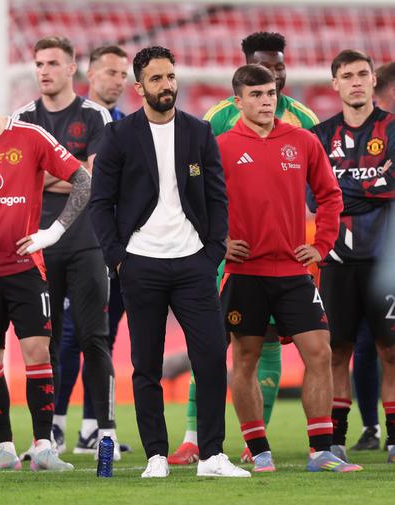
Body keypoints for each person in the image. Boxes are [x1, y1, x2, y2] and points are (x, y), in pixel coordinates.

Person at [89, 45, 250, 479]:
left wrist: (212, 252)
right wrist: (118, 259)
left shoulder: (199, 132)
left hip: (194, 264)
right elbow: (100, 203)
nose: (166, 85)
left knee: (211, 358)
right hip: (140, 265)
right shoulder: (119, 136)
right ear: (139, 87)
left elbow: (217, 197)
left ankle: (212, 456)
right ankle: (156, 455)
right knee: (146, 365)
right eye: (156, 78)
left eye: (170, 76)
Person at [170, 31, 320, 466]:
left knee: (267, 344)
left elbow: (317, 190)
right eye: (263, 66)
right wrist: (215, 242)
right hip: (230, 258)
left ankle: (256, 444)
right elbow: (196, 185)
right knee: (214, 344)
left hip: (284, 258)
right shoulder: (218, 118)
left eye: (278, 66)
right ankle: (194, 437)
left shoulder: (304, 121)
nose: (273, 74)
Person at [218, 63, 359, 473]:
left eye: (270, 94)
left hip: (294, 272)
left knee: (319, 351)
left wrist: (321, 245)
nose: (266, 101)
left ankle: (321, 451)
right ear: (238, 101)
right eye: (256, 95)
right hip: (245, 272)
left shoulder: (302, 140)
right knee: (245, 357)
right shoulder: (222, 146)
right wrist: (220, 241)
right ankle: (259, 450)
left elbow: (330, 196)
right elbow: (200, 202)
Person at [0, 68, 87, 471]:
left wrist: (53, 232)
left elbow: (83, 180)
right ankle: (5, 450)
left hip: (26, 267)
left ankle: (43, 447)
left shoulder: (31, 137)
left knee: (37, 351)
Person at [12, 37, 118, 459]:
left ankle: (105, 432)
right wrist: (72, 175)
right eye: (39, 63)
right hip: (39, 245)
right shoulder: (23, 119)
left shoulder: (95, 115)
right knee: (45, 341)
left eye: (53, 63)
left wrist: (48, 176)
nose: (44, 71)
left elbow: (94, 180)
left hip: (86, 242)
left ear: (72, 68)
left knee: (95, 338)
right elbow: (32, 181)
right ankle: (46, 437)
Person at [309, 50, 394, 465]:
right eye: (348, 75)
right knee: (336, 352)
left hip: (385, 264)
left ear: (374, 80)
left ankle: (393, 439)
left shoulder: (392, 128)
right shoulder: (319, 136)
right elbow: (314, 198)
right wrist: (373, 187)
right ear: (335, 84)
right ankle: (336, 440)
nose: (356, 81)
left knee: (391, 351)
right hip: (336, 263)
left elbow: (391, 187)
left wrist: (341, 192)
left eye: (363, 74)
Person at [53, 44, 129, 455]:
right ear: (90, 75)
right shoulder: (74, 120)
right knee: (68, 336)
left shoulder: (129, 125)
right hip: (75, 243)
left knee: (103, 337)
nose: (118, 80)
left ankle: (91, 428)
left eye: (123, 74)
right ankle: (55, 423)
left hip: (116, 246)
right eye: (111, 72)